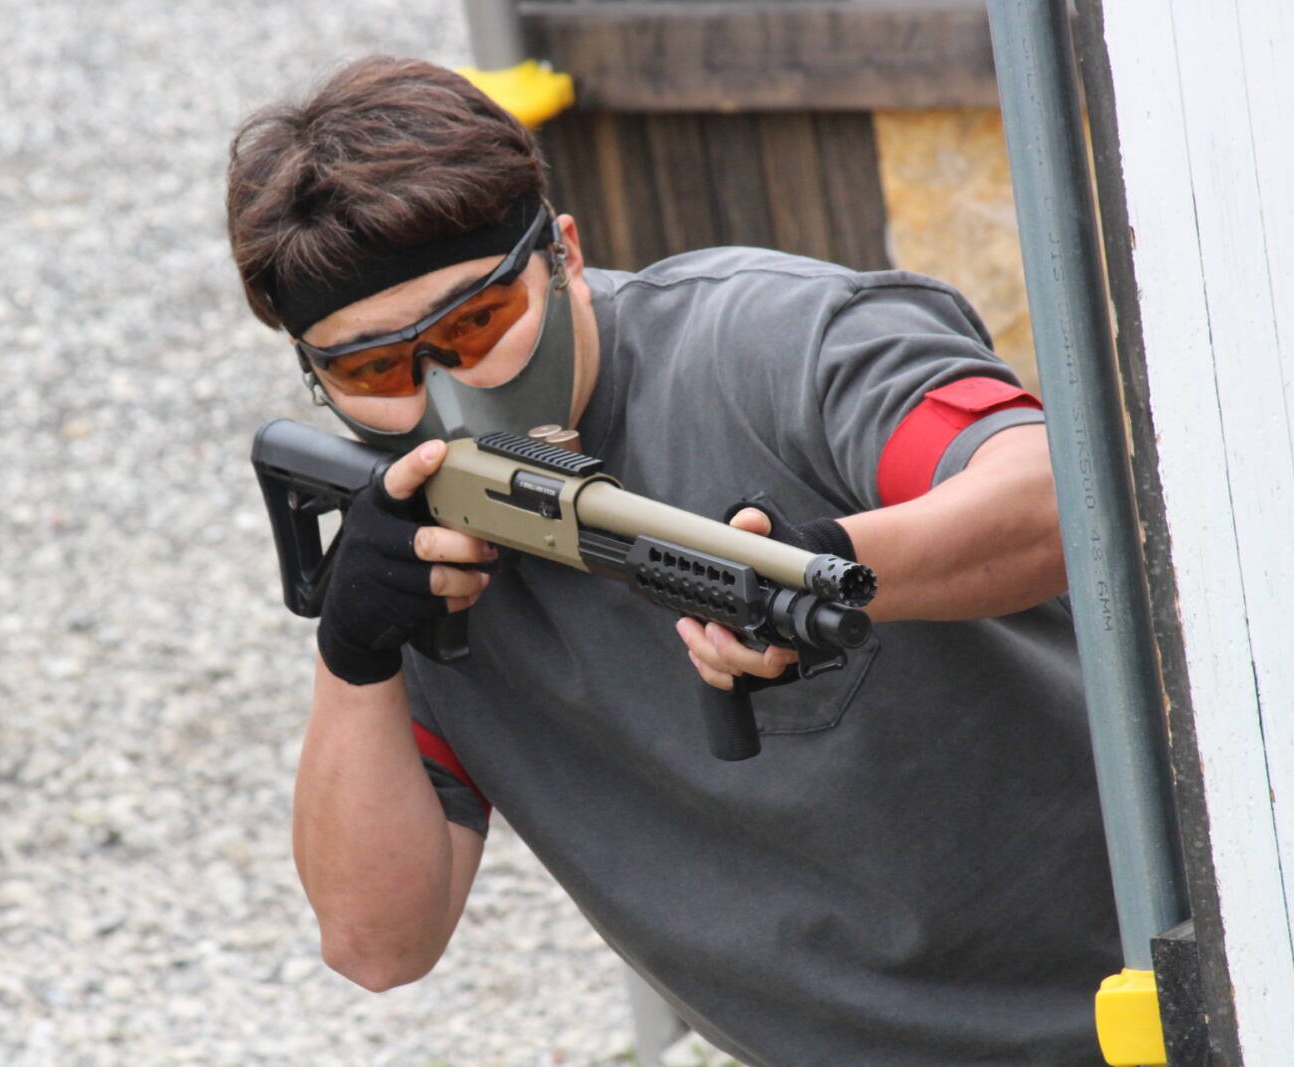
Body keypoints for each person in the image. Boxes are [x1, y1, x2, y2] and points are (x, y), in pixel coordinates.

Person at [225, 55, 1120, 1066]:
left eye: (478, 324)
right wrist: (354, 653)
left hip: (1156, 995)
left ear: (563, 255)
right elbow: (377, 941)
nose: (446, 393)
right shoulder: (417, 553)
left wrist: (826, 563)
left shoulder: (775, 343)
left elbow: (1062, 496)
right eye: (375, 368)